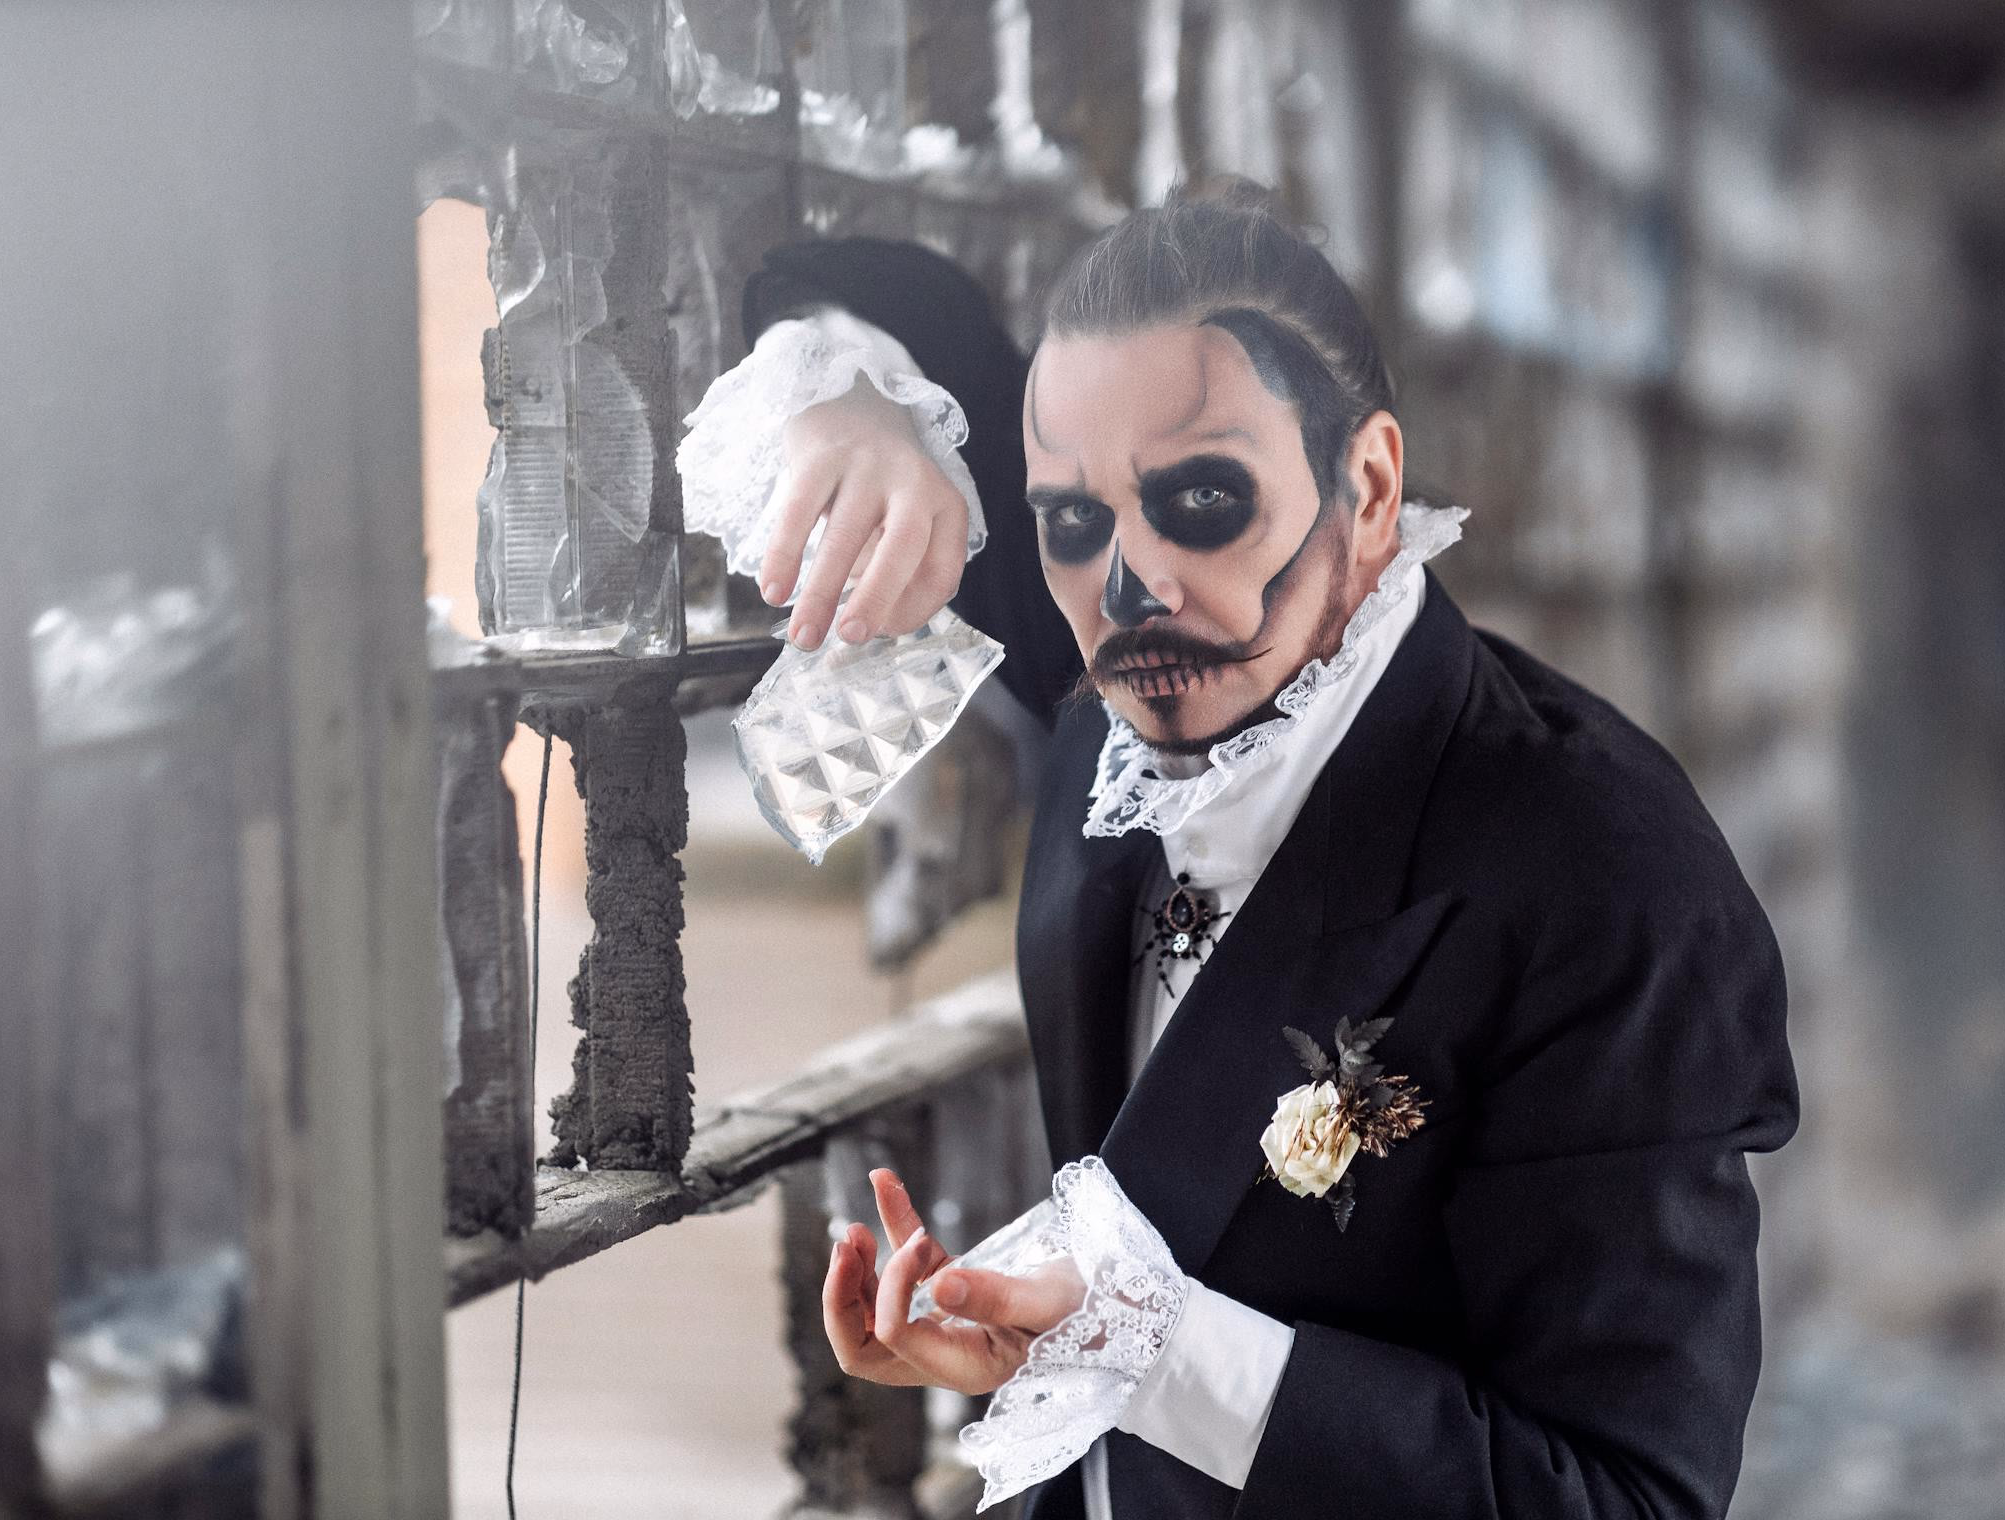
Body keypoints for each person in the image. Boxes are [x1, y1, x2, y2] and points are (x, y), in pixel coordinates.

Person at [690, 181, 1800, 1519]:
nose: (1130, 585)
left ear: (1370, 485)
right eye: (1070, 523)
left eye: (1208, 497)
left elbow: (1630, 1498)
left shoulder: (1604, 874)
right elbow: (853, 275)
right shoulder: (1129, 657)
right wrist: (856, 410)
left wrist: (1146, 1345)